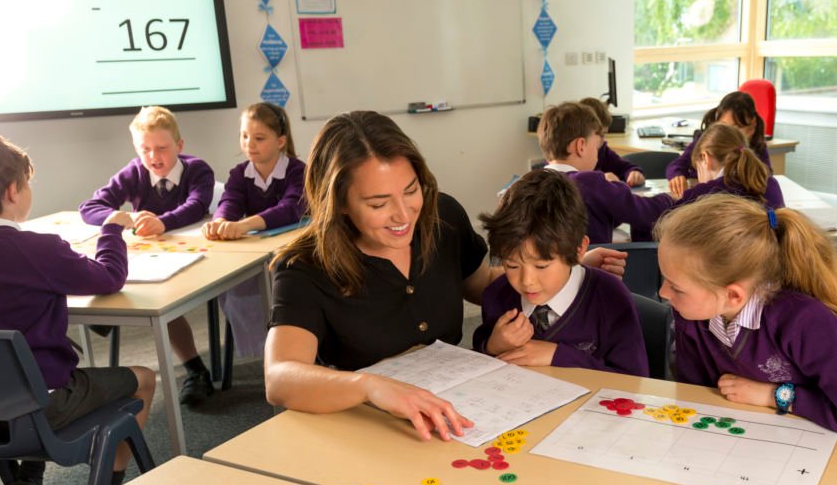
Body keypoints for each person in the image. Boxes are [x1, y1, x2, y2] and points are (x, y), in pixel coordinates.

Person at [265, 111, 627, 441]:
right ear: (339, 202)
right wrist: (369, 386)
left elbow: (482, 282)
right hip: (368, 424)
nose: (403, 214)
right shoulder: (305, 266)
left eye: (411, 191)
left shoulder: (442, 218)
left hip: (458, 412)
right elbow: (279, 377)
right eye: (378, 204)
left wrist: (564, 269)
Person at [0, 128, 155, 485]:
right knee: (144, 378)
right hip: (43, 407)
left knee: (21, 384)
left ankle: (29, 483)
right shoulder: (39, 250)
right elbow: (110, 277)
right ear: (14, 190)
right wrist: (112, 232)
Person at [655, 195, 837, 438]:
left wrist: (774, 396)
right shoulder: (694, 313)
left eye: (676, 287)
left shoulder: (805, 322)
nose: (662, 293)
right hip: (746, 440)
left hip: (812, 448)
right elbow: (697, 396)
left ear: (733, 295)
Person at [78, 106, 216, 405]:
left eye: (162, 148)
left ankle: (196, 370)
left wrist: (163, 222)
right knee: (113, 277)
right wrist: (118, 215)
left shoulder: (198, 170)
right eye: (145, 149)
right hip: (153, 257)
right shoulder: (134, 172)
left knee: (159, 297)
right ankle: (107, 320)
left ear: (179, 146)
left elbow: (197, 204)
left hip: (197, 257)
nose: (154, 157)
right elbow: (89, 207)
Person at [472, 169, 647, 376]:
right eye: (512, 265)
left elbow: (635, 380)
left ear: (579, 249)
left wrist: (558, 356)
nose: (527, 281)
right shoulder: (497, 295)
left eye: (541, 266)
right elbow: (480, 360)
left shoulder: (610, 298)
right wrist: (493, 346)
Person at [203, 103, 306, 356]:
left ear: (281, 141)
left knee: (285, 293)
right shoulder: (239, 174)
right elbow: (230, 201)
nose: (250, 144)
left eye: (259, 138)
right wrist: (221, 221)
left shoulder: (297, 170)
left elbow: (291, 208)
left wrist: (244, 225)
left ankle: (287, 350)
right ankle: (263, 355)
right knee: (235, 292)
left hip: (294, 256)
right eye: (244, 136)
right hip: (259, 256)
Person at [539, 102, 673, 243]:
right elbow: (646, 213)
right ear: (581, 146)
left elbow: (596, 218)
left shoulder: (528, 184)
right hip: (597, 264)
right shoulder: (591, 183)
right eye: (596, 147)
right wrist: (669, 198)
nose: (598, 153)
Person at [666, 91, 772, 197]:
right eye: (723, 126)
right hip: (702, 197)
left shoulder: (758, 147)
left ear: (752, 124)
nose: (728, 133)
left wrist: (744, 144)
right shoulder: (707, 141)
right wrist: (677, 175)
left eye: (736, 128)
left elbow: (765, 178)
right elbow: (677, 165)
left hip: (730, 201)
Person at [673, 123, 785, 209]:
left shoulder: (705, 193)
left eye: (697, 169)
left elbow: (662, 216)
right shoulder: (770, 183)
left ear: (705, 158)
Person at [577, 97, 645, 187]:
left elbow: (624, 167)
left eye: (604, 134)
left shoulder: (603, 151)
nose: (603, 140)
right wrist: (599, 179)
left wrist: (634, 173)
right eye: (600, 134)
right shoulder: (567, 159)